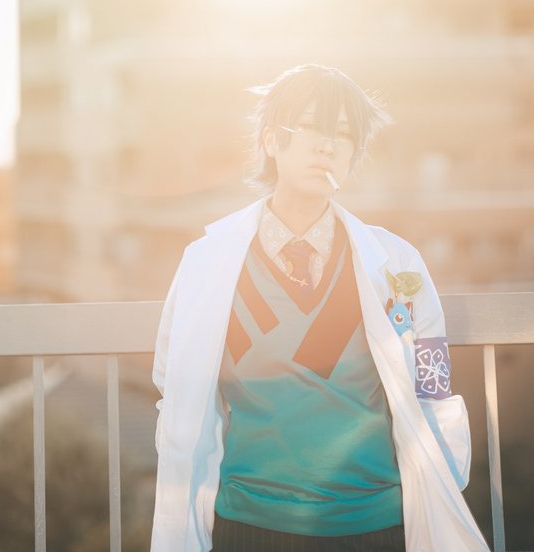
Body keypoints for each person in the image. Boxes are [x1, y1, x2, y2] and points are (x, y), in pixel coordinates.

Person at [150, 63, 490, 552]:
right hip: (249, 523)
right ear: (272, 140)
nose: (327, 146)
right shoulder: (207, 262)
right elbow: (174, 383)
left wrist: (439, 482)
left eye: (344, 134)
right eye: (309, 126)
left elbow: (432, 386)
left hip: (375, 524)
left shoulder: (396, 262)